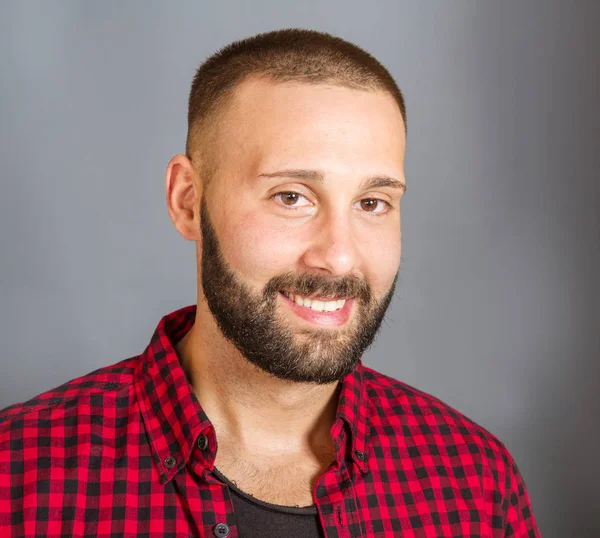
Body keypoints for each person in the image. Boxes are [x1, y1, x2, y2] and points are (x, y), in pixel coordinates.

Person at [0, 28, 540, 537]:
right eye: (291, 196)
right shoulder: (17, 478)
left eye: (372, 203)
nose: (339, 255)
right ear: (188, 200)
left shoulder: (476, 483)